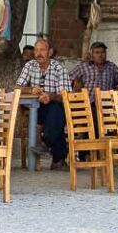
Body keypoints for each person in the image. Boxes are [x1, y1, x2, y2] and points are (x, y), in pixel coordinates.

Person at [15, 38, 70, 169]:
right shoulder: (30, 65)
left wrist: (50, 96)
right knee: (52, 118)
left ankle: (46, 141)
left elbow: (65, 95)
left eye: (42, 50)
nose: (39, 53)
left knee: (55, 110)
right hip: (35, 106)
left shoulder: (59, 68)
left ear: (50, 52)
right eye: (36, 50)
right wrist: (31, 89)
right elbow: (17, 87)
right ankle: (59, 157)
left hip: (55, 105)